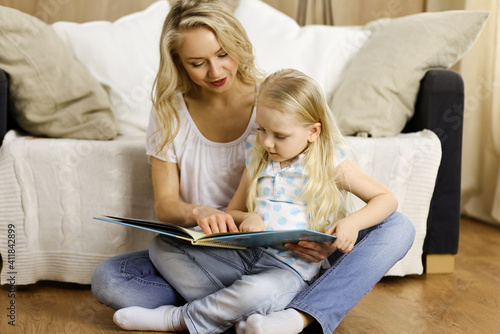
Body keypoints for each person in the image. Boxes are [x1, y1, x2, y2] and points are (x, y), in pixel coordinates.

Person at [90, 1, 416, 333]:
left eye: (223, 55)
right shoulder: (173, 114)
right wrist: (202, 213)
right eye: (198, 63)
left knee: (398, 227)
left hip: (297, 257)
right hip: (219, 247)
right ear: (179, 63)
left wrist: (333, 236)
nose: (215, 72)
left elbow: (327, 167)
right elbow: (168, 205)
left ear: (238, 46)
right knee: (111, 280)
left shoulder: (273, 103)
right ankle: (262, 309)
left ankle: (287, 311)